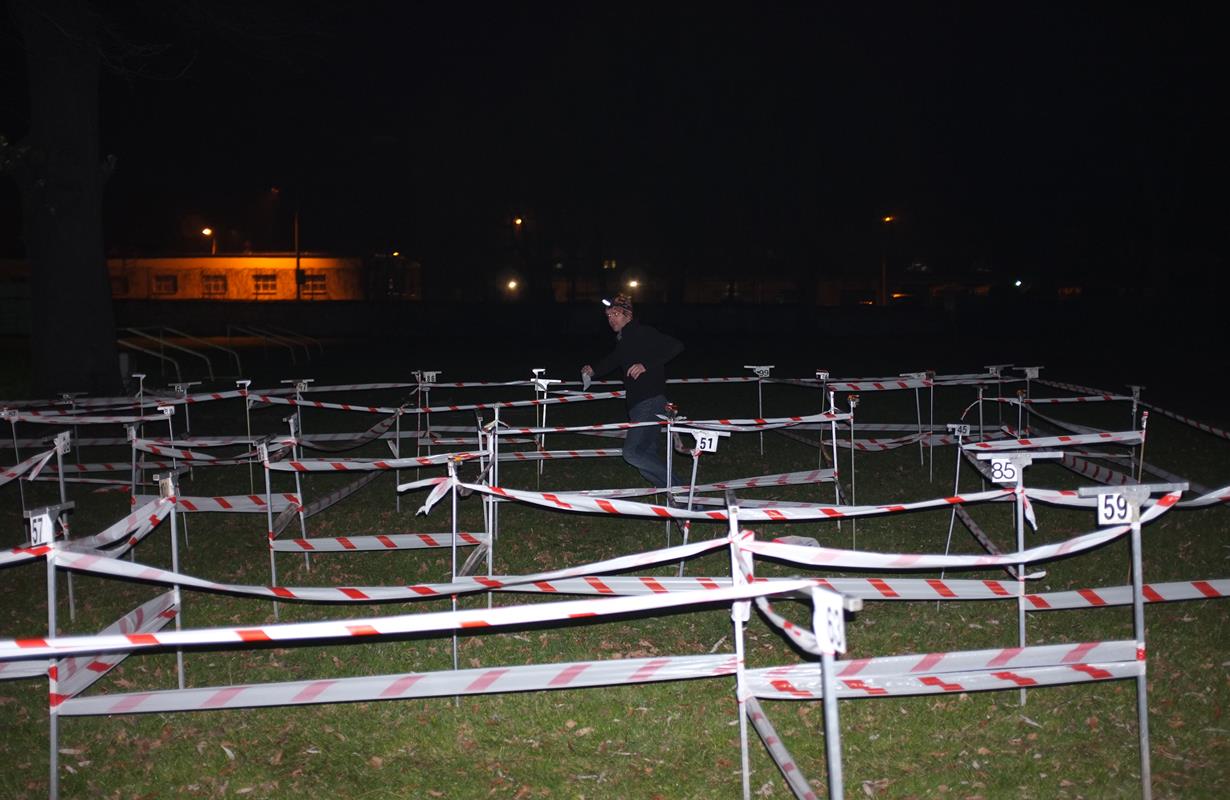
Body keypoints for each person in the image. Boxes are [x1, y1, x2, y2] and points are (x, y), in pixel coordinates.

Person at [582, 294, 684, 490]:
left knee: (632, 453)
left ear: (628, 315)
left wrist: (646, 364)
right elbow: (613, 360)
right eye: (608, 316)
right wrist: (593, 371)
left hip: (649, 402)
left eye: (616, 314)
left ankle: (683, 492)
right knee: (646, 456)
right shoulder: (625, 340)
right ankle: (676, 497)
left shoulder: (641, 332)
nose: (611, 319)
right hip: (643, 404)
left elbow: (676, 346)